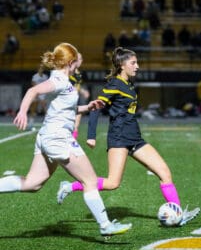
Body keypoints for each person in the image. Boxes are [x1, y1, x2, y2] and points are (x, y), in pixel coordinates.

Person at [57, 47, 200, 226]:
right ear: (122, 65)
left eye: (137, 62)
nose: (137, 66)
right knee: (112, 183)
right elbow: (96, 108)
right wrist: (91, 135)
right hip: (119, 139)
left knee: (164, 172)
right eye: (133, 63)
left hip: (136, 138)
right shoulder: (114, 85)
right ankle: (70, 186)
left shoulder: (129, 84)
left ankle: (178, 214)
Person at [0, 43, 132, 237]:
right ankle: (105, 226)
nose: (79, 63)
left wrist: (87, 107)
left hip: (48, 136)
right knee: (90, 181)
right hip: (58, 138)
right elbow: (32, 91)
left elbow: (66, 109)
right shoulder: (60, 81)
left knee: (33, 183)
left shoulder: (63, 80)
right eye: (76, 60)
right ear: (70, 62)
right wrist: (22, 112)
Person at [69, 52, 90, 139]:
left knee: (79, 112)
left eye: (81, 59)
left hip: (74, 97)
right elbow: (69, 84)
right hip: (66, 98)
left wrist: (82, 91)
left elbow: (77, 85)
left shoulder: (78, 73)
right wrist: (82, 91)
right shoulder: (69, 71)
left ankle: (74, 133)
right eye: (79, 59)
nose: (81, 61)